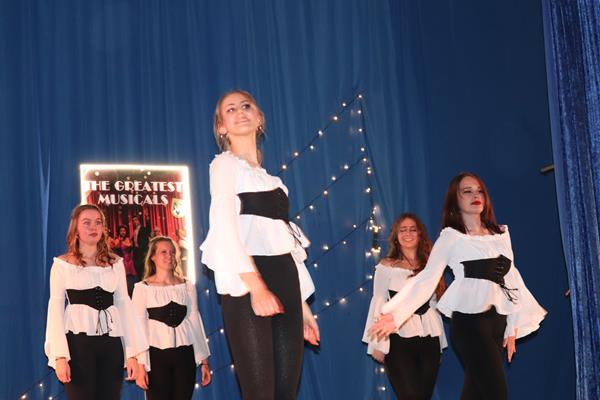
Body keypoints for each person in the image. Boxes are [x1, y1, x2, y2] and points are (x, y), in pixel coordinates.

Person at [369, 173, 547, 400]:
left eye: (479, 190)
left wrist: (513, 325)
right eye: (467, 191)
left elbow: (512, 279)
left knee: (475, 393)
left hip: (497, 322)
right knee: (496, 393)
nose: (475, 195)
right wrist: (395, 315)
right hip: (470, 323)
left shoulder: (500, 234)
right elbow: (426, 279)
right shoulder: (451, 237)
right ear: (456, 200)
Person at [200, 90, 320, 400]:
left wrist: (303, 307)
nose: (240, 112)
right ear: (221, 126)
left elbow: (286, 244)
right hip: (247, 282)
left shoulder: (275, 182)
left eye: (246, 106)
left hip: (285, 280)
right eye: (230, 109)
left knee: (285, 391)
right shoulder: (224, 165)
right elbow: (225, 229)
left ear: (259, 118)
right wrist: (257, 288)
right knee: (259, 392)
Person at [44, 204, 148, 400]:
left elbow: (124, 306)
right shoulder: (62, 265)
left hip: (111, 345)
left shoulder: (115, 263)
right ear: (75, 228)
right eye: (87, 222)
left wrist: (132, 353)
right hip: (78, 346)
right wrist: (59, 356)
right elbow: (55, 310)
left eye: (98, 222)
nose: (93, 227)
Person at [363, 213, 447, 399]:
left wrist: (440, 343)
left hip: (429, 340)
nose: (408, 233)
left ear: (420, 234)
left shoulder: (430, 267)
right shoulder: (387, 266)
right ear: (396, 236)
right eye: (403, 230)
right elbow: (379, 301)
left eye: (412, 229)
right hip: (397, 339)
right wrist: (378, 343)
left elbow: (434, 305)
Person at [133, 236, 211, 399]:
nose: (169, 255)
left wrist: (204, 361)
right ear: (153, 257)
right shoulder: (142, 288)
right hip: (156, 357)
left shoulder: (187, 286)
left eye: (172, 252)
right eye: (164, 252)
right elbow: (138, 328)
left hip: (185, 355)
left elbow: (195, 321)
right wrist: (141, 365)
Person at [111, 225, 137, 296]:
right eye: (121, 231)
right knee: (124, 278)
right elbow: (115, 247)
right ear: (119, 232)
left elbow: (130, 246)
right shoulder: (117, 239)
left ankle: (132, 293)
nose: (123, 232)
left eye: (124, 231)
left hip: (130, 260)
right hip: (123, 260)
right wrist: (119, 241)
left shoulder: (128, 239)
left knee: (132, 278)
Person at [132, 211, 151, 279]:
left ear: (139, 220)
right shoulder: (135, 230)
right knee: (138, 268)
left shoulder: (143, 229)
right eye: (133, 220)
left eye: (135, 220)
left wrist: (147, 218)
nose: (134, 222)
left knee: (143, 268)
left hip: (142, 251)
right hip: (136, 251)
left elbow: (148, 229)